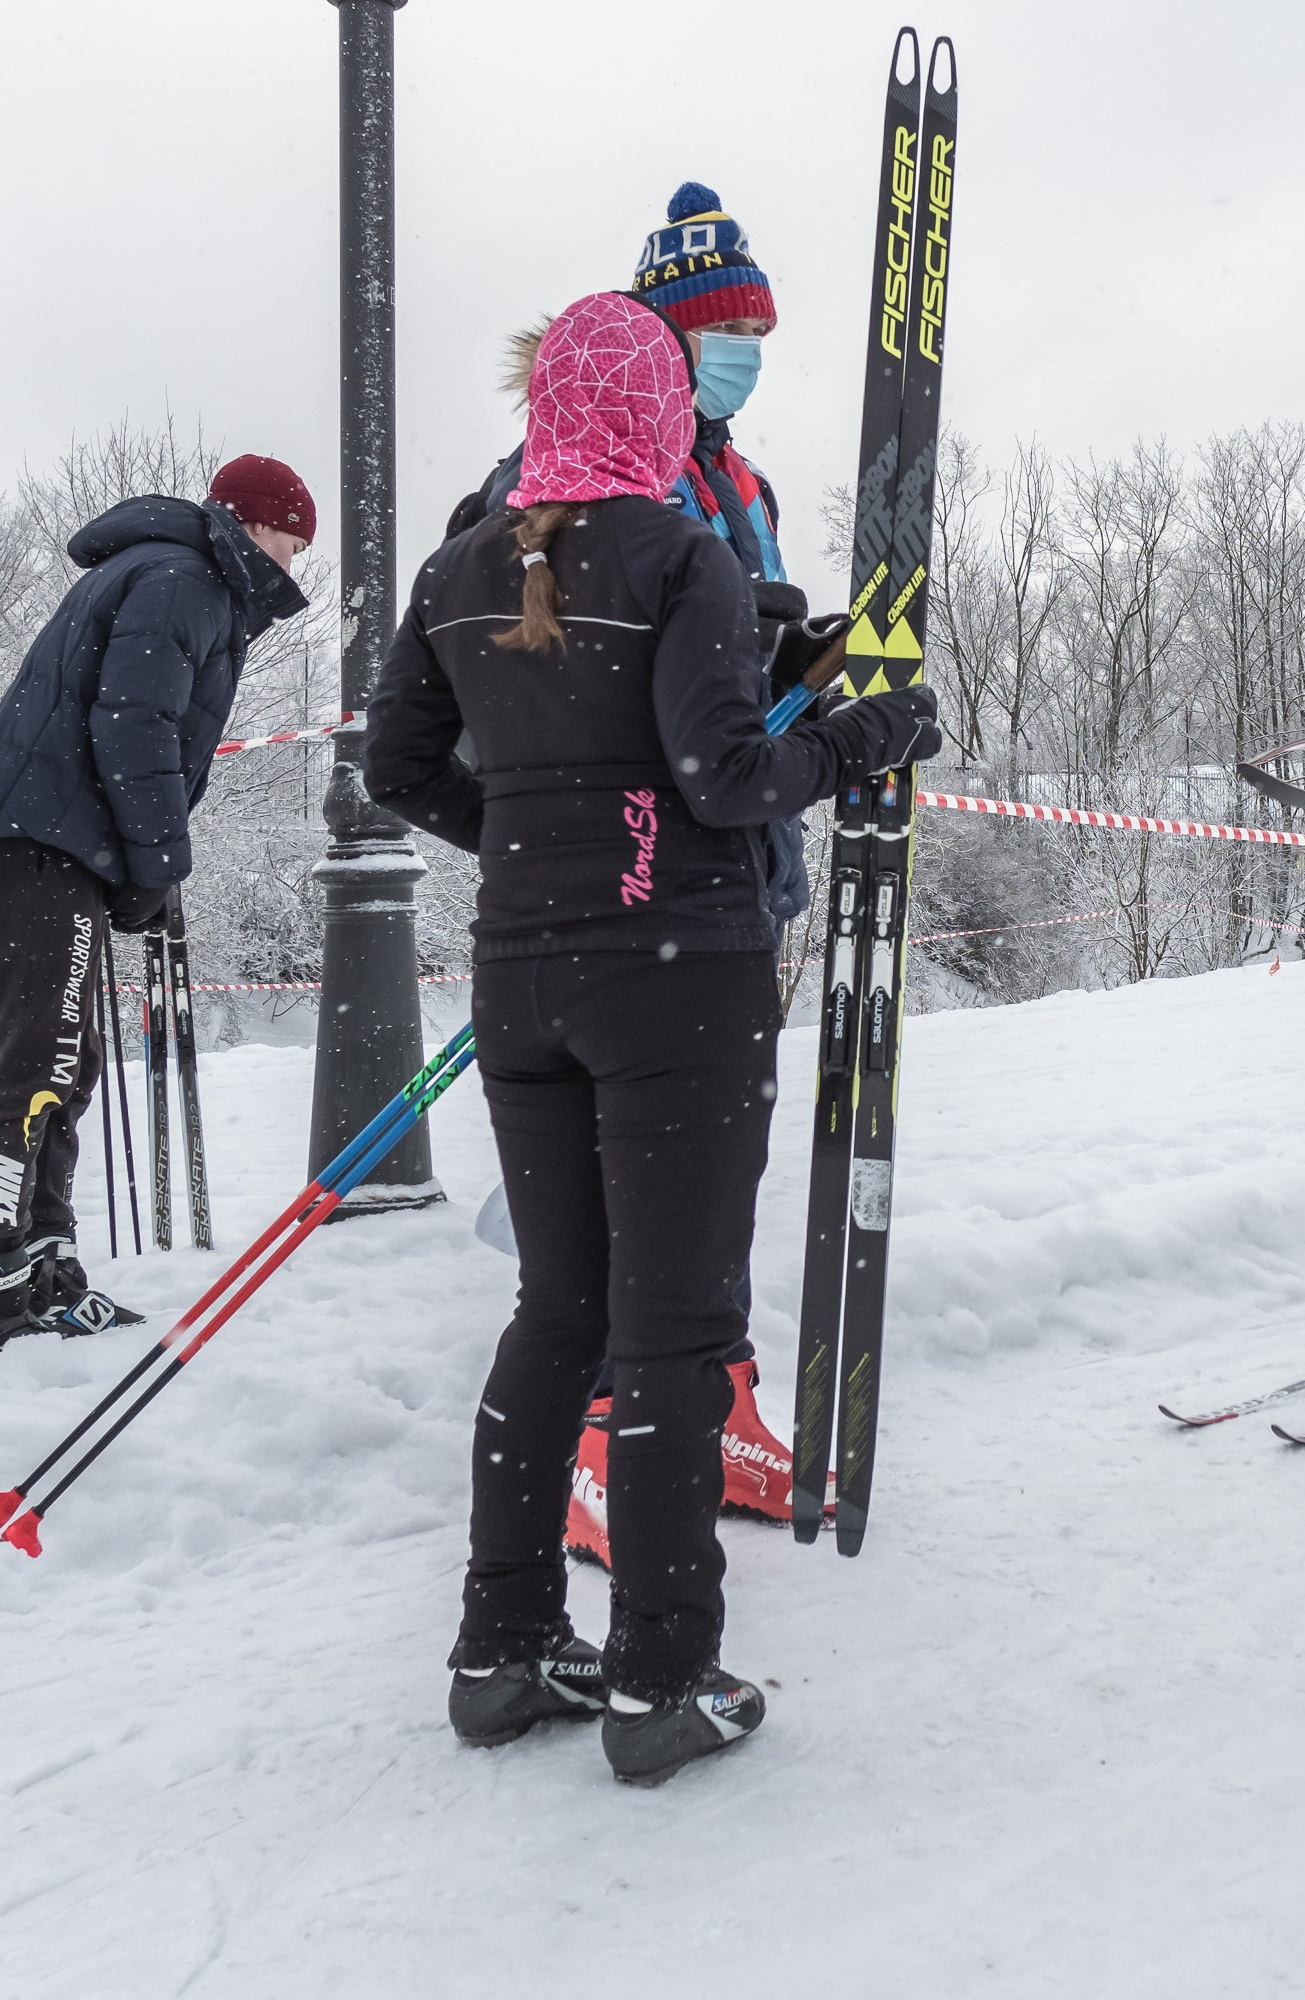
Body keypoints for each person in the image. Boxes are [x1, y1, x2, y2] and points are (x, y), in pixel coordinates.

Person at [363, 291, 939, 1785]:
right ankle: (661, 1680)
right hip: (676, 974)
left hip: (523, 979)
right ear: (657, 418)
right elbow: (727, 776)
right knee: (674, 1333)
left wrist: (528, 837)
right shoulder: (678, 549)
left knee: (559, 1311)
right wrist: (869, 733)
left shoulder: (462, 564)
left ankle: (499, 1653)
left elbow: (397, 758)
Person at [444, 180, 825, 1527]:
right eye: (721, 334)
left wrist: (799, 663)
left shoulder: (737, 475)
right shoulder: (572, 476)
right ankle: (618, 1433)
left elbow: (717, 674)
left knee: (714, 1187)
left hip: (733, 869)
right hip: (629, 894)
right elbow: (512, 667)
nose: (746, 354)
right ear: (654, 343)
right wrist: (550, 835)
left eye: (757, 332)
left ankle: (715, 1411)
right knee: (629, 1213)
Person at [0, 456, 313, 1358]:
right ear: (252, 525)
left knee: (67, 1060)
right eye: (291, 543)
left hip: (44, 840)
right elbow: (134, 727)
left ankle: (46, 1260)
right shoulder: (185, 578)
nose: (293, 566)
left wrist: (143, 862)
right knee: (41, 1061)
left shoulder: (171, 572)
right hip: (40, 844)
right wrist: (157, 864)